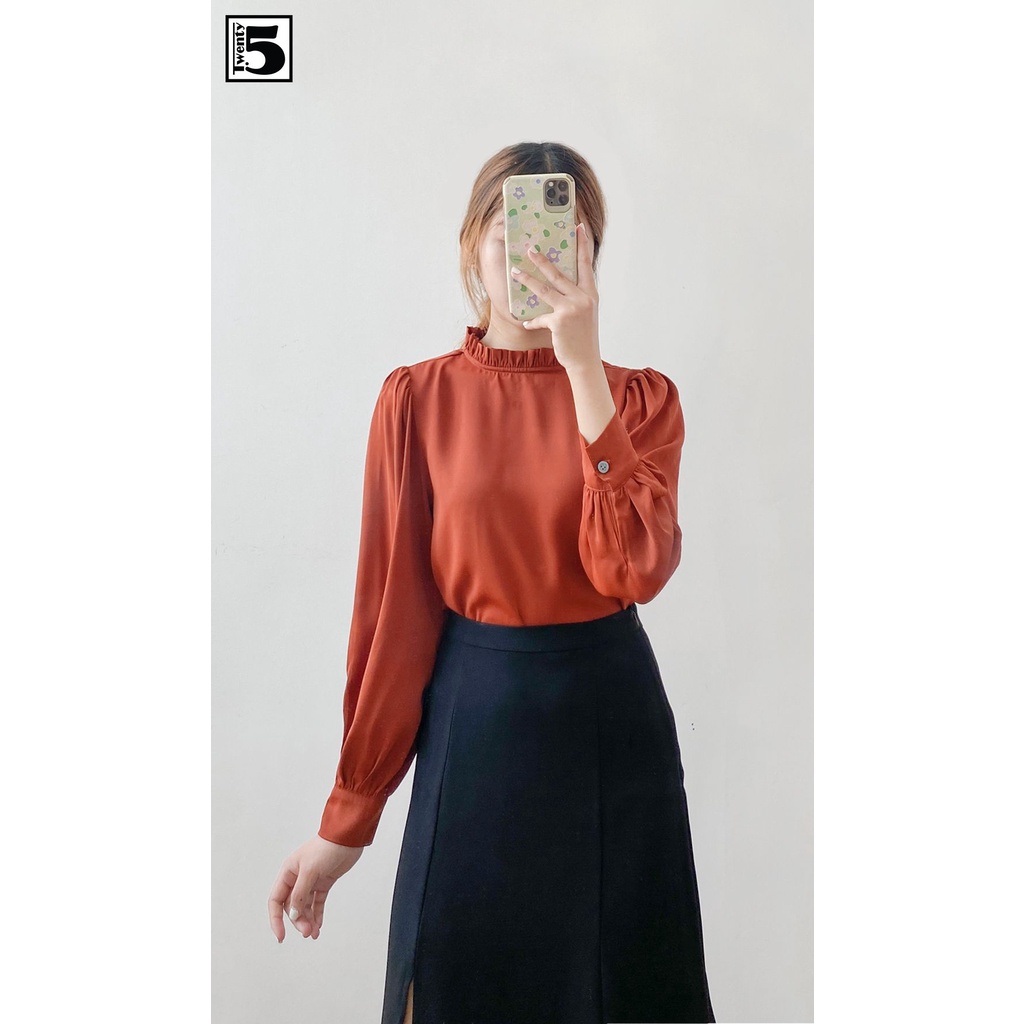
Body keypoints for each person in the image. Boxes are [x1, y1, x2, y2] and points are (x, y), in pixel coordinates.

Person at [267, 141, 716, 1024]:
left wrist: (581, 367)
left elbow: (631, 567)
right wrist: (347, 819)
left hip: (609, 728)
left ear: (590, 255)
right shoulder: (416, 401)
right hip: (473, 728)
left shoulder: (640, 401)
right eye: (509, 233)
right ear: (473, 243)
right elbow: (394, 617)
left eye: (558, 236)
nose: (529, 256)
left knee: (623, 991)